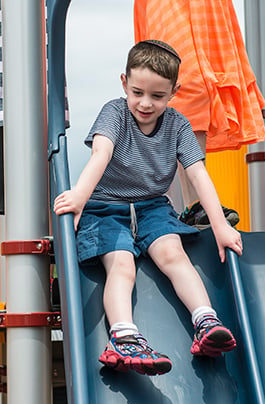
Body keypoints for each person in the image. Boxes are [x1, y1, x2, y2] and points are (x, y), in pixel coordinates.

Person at [54, 40, 243, 376]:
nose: (145, 103)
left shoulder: (178, 125)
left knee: (173, 253)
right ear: (124, 82)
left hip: (153, 207)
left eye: (157, 96)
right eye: (138, 92)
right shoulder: (114, 112)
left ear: (173, 92)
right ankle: (124, 337)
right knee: (122, 265)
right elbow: (102, 155)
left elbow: (198, 173)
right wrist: (80, 198)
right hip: (105, 208)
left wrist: (220, 226)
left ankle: (205, 320)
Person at [134, 0, 265, 228]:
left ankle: (194, 203)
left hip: (204, 7)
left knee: (201, 84)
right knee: (183, 81)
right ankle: (195, 202)